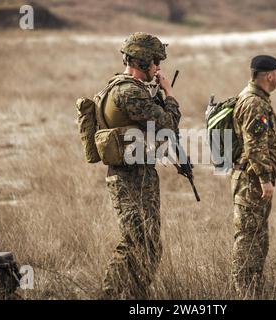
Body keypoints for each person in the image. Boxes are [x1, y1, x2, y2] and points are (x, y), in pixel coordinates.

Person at [100, 32, 181, 299]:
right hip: (132, 178)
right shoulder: (130, 92)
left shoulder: (121, 87)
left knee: (144, 245)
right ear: (142, 61)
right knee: (138, 244)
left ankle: (132, 297)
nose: (159, 68)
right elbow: (167, 125)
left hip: (136, 174)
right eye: (156, 61)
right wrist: (169, 95)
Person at [231, 55, 276, 299]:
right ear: (270, 76)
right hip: (251, 182)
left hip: (251, 179)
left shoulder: (253, 98)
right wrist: (265, 179)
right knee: (249, 239)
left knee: (257, 238)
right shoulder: (255, 103)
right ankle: (245, 293)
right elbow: (254, 146)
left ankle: (253, 291)